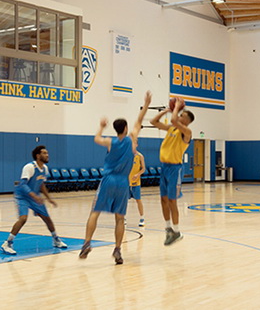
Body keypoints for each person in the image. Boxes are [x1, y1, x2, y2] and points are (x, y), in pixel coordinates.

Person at [79, 91, 152, 264]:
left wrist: (101, 126)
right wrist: (146, 104)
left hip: (108, 180)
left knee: (94, 212)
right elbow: (139, 121)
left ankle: (87, 243)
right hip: (123, 183)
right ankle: (118, 250)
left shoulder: (110, 142)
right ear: (126, 129)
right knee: (120, 218)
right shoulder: (132, 139)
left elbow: (96, 138)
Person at [1, 145, 66, 255]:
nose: (47, 155)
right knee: (23, 219)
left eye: (47, 153)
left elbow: (41, 184)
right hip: (23, 197)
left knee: (47, 219)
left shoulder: (44, 169)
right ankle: (7, 244)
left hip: (35, 198)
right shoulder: (29, 167)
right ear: (38, 155)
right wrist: (34, 196)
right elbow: (22, 184)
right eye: (44, 153)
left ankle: (56, 240)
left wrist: (49, 198)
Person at [152, 94, 194, 245]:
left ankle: (177, 231)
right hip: (164, 167)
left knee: (172, 201)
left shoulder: (187, 132)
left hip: (175, 169)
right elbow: (153, 121)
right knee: (163, 200)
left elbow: (174, 120)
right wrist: (166, 110)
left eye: (182, 115)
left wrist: (175, 107)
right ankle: (168, 228)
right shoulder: (172, 128)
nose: (179, 115)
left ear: (187, 121)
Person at [129, 148, 146, 227]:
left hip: (136, 182)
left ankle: (142, 218)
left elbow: (143, 169)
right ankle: (123, 218)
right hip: (126, 182)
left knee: (138, 200)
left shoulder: (140, 156)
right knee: (123, 201)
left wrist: (138, 174)